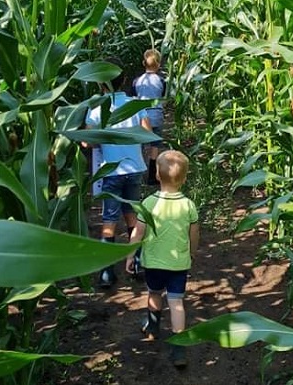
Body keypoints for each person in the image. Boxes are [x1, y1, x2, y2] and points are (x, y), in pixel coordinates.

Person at [124, 150, 200, 368]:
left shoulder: (148, 203)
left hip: (154, 263)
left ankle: (153, 328)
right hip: (179, 264)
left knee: (154, 293)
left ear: (156, 175)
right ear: (184, 179)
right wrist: (192, 253)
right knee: (176, 303)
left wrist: (130, 254)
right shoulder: (188, 205)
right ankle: (178, 349)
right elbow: (194, 235)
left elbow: (137, 233)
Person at [85, 57, 152, 288]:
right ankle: (137, 263)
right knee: (132, 216)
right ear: (124, 80)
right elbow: (147, 133)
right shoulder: (134, 104)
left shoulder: (96, 109)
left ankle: (106, 273)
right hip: (134, 169)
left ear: (101, 84)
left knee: (109, 220)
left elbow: (88, 142)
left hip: (112, 171)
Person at [132, 49, 166, 185]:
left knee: (139, 145)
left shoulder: (137, 81)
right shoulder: (161, 80)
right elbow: (162, 95)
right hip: (156, 115)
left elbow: (134, 96)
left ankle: (138, 175)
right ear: (158, 65)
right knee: (155, 146)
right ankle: (152, 176)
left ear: (143, 63)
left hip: (142, 116)